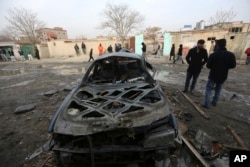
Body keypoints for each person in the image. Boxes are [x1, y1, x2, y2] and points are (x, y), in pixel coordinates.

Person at [202, 39, 236, 109]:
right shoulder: (230, 55)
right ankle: (214, 102)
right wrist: (225, 66)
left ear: (217, 45)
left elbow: (208, 65)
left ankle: (207, 104)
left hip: (213, 75)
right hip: (223, 75)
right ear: (225, 44)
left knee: (208, 89)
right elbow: (233, 65)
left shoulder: (214, 55)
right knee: (218, 89)